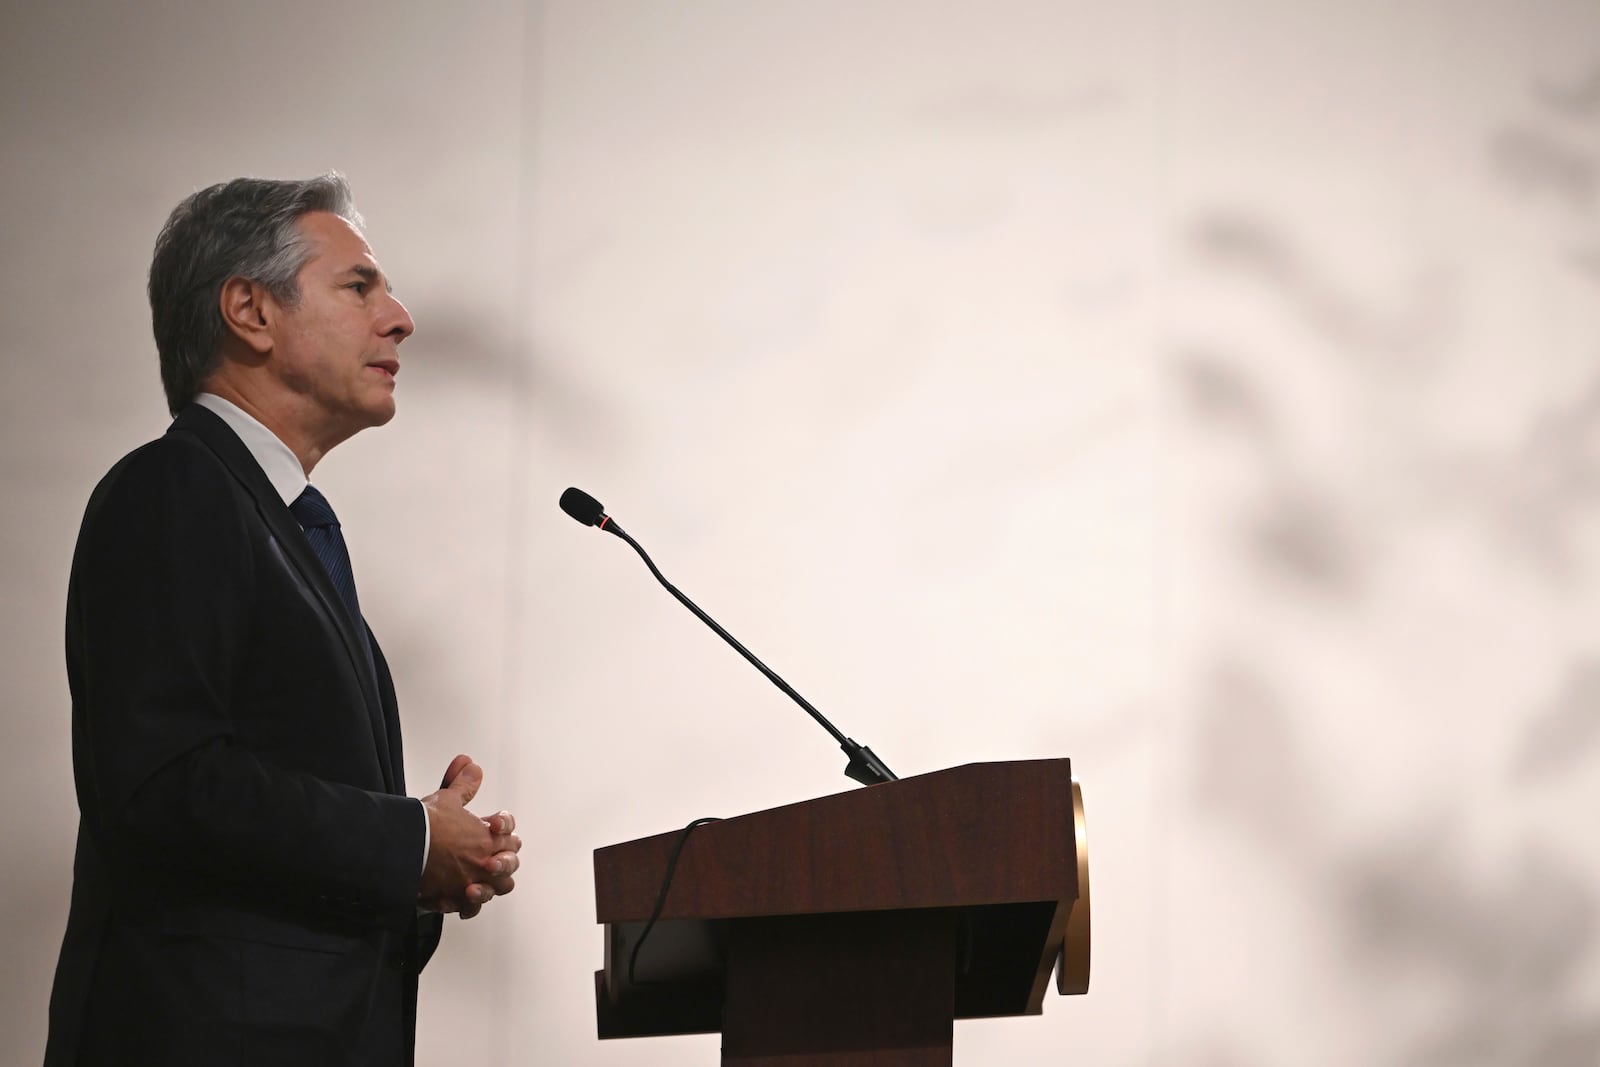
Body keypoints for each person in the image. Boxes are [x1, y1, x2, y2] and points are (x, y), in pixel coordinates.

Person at [44, 174, 521, 1066]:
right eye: (359, 285)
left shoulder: (273, 519)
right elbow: (162, 785)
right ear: (250, 312)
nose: (400, 317)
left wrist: (422, 866)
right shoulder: (173, 488)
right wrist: (407, 837)